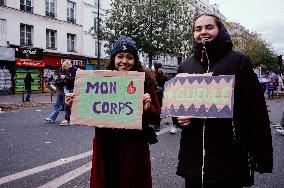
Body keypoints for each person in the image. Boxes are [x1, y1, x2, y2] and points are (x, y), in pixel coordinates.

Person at [175, 14, 273, 188]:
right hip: (194, 159)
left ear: (220, 30)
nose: (203, 32)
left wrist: (261, 156)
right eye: (198, 29)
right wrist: (180, 119)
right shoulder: (185, 66)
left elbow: (256, 112)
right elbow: (177, 107)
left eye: (209, 27)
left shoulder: (239, 61)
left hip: (229, 157)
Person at [65, 36, 160, 188]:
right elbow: (88, 109)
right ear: (113, 58)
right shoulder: (101, 80)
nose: (124, 61)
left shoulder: (145, 82)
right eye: (120, 56)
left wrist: (148, 109)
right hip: (106, 144)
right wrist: (72, 105)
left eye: (129, 57)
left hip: (134, 147)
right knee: (107, 181)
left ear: (135, 60)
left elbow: (156, 114)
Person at [59, 60, 77, 126]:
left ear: (69, 64)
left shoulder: (75, 70)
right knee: (67, 103)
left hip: (73, 89)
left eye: (65, 66)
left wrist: (65, 77)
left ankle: (69, 119)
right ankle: (67, 118)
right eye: (63, 66)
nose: (64, 68)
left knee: (70, 104)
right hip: (68, 89)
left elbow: (75, 79)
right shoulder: (68, 70)